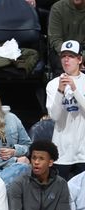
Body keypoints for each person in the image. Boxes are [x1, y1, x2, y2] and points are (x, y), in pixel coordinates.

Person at [46, 40, 85, 180]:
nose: (66, 59)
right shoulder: (52, 85)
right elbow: (55, 116)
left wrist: (74, 89)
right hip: (62, 152)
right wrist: (60, 91)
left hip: (83, 152)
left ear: (79, 59)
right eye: (63, 56)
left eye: (71, 56)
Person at [48, 0, 85, 73]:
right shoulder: (58, 8)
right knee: (61, 65)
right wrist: (70, 58)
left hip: (83, 50)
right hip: (62, 49)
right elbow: (55, 39)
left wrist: (82, 57)